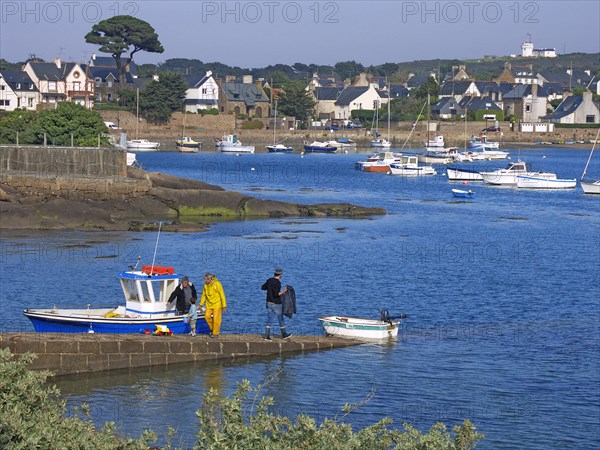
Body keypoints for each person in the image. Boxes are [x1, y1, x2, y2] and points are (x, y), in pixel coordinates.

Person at [261, 267, 291, 341]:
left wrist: (268, 289)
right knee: (280, 319)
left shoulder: (269, 280)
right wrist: (285, 290)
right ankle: (284, 335)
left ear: (274, 273)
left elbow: (263, 287)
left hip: (268, 302)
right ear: (280, 275)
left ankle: (267, 336)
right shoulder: (278, 283)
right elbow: (276, 294)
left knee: (270, 319)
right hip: (276, 304)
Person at [200, 273, 227, 338]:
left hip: (217, 304)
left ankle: (215, 333)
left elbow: (222, 295)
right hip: (209, 304)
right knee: (206, 316)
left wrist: (224, 306)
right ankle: (213, 329)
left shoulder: (217, 284)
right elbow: (204, 295)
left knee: (216, 319)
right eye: (205, 279)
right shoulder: (205, 285)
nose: (205, 281)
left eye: (206, 280)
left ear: (210, 279)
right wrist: (201, 305)